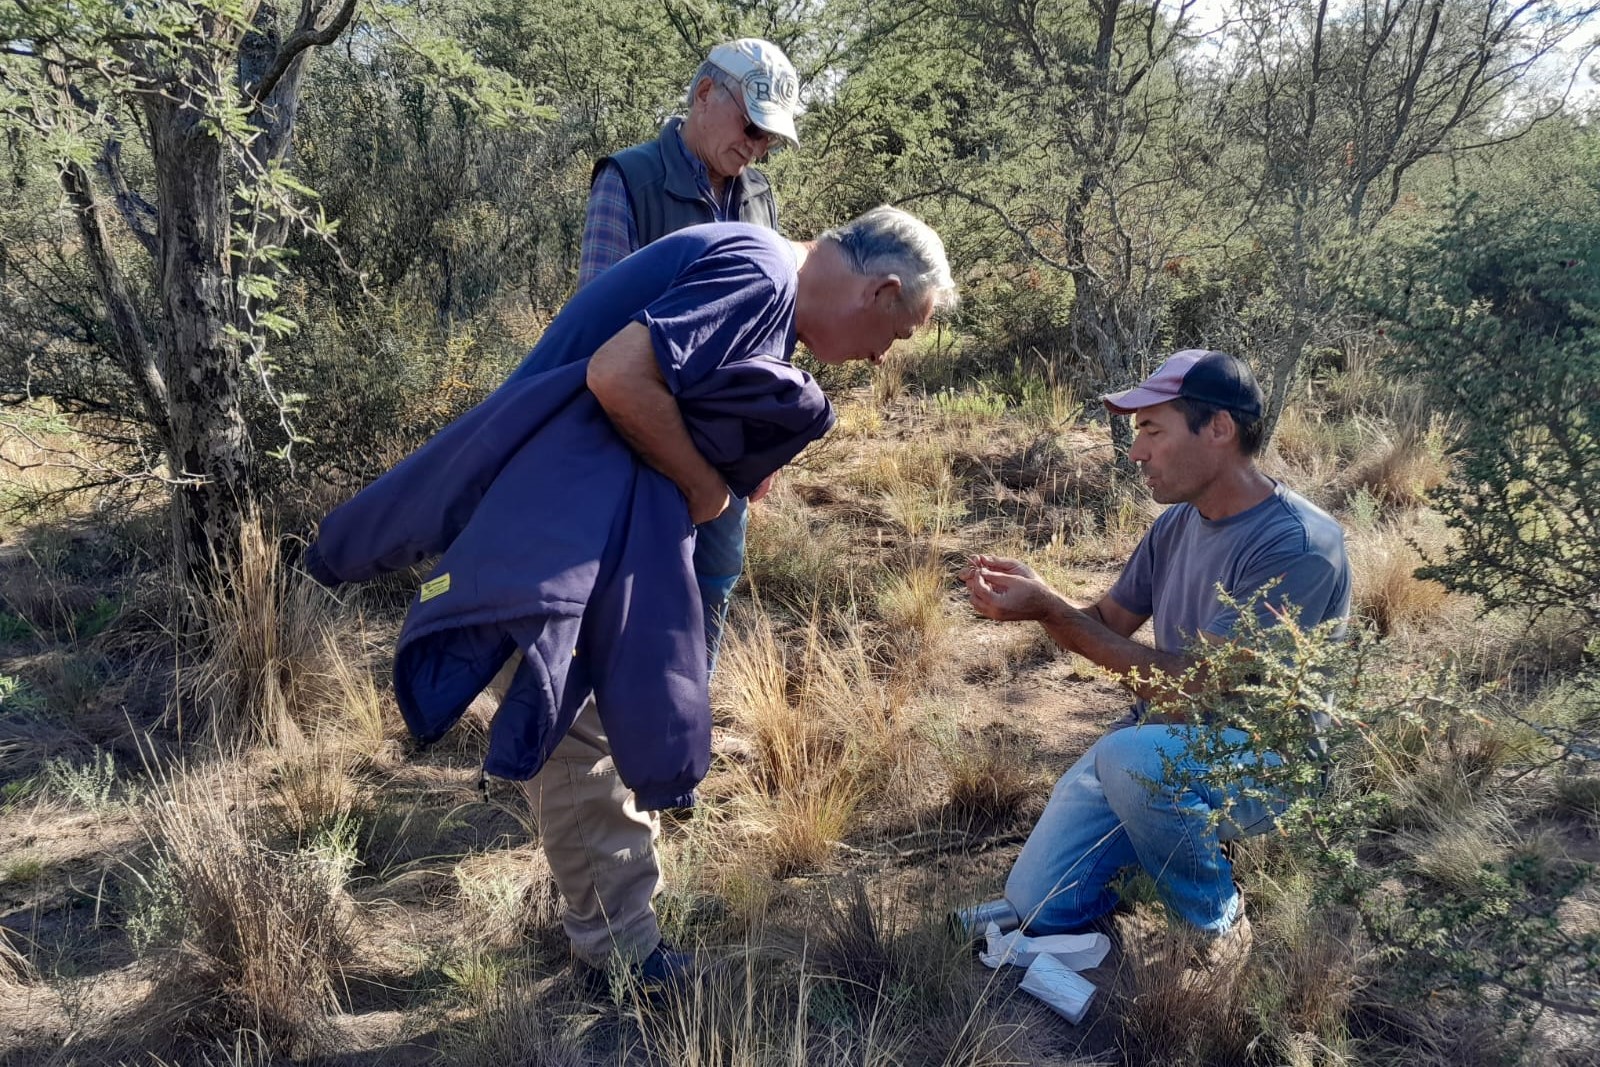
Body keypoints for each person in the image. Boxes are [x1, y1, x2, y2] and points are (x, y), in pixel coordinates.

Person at [304, 207, 956, 988]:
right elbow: (617, 375)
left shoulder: (767, 286)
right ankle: (620, 954)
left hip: (577, 514)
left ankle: (625, 915)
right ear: (881, 291)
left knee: (609, 709)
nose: (884, 355)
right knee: (577, 725)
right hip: (555, 521)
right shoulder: (758, 274)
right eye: (900, 333)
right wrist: (704, 483)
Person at [958, 350, 1350, 968]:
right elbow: (1108, 624)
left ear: (1218, 429)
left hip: (1269, 763)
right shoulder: (1176, 525)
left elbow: (1201, 690)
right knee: (1037, 902)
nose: (1136, 451)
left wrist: (1054, 612)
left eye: (1151, 430)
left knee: (1128, 756)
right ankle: (1145, 850)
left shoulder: (1297, 544)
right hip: (1167, 745)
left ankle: (1217, 930)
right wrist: (1036, 602)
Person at [575, 37, 801, 667]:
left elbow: (772, 323)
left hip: (727, 448)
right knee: (626, 596)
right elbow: (597, 323)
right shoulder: (627, 178)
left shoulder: (759, 196)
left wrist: (767, 438)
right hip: (640, 439)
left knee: (713, 583)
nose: (757, 148)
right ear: (705, 95)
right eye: (752, 126)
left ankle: (683, 718)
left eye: (769, 139)